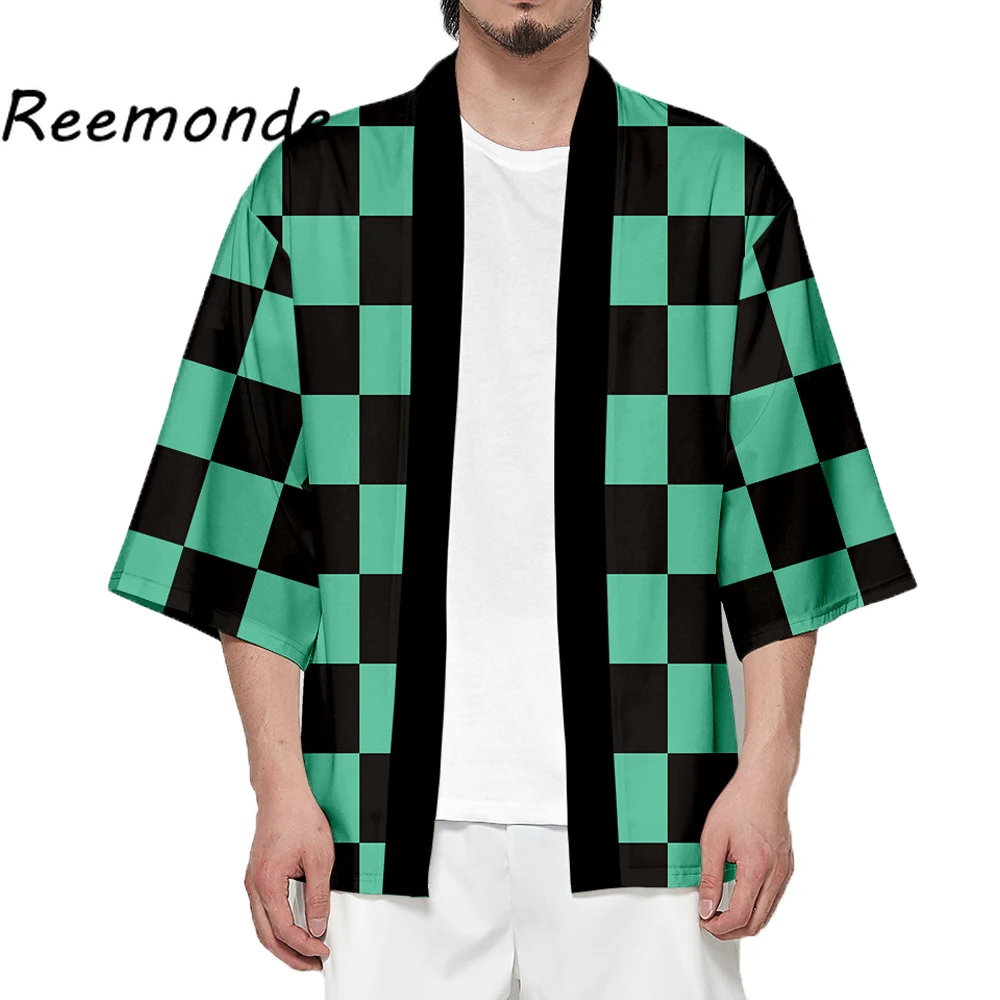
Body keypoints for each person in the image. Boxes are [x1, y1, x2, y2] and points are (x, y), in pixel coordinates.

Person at [108, 2, 916, 996]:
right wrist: (278, 786)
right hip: (379, 812)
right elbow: (250, 516)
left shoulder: (717, 185)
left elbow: (787, 520)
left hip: (659, 809)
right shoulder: (315, 186)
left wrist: (769, 773)